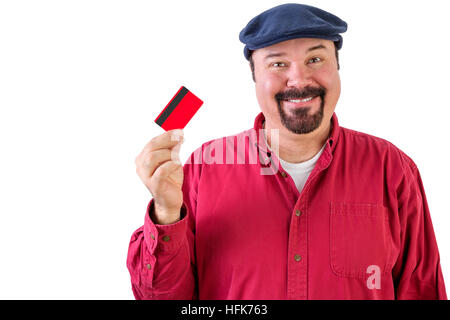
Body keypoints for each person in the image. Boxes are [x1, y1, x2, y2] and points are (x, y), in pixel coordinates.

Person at [127, 3, 447, 299]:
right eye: (278, 63)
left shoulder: (391, 168)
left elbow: (422, 290)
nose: (299, 78)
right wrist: (166, 214)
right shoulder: (201, 170)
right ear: (255, 77)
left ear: (337, 68)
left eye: (315, 59)